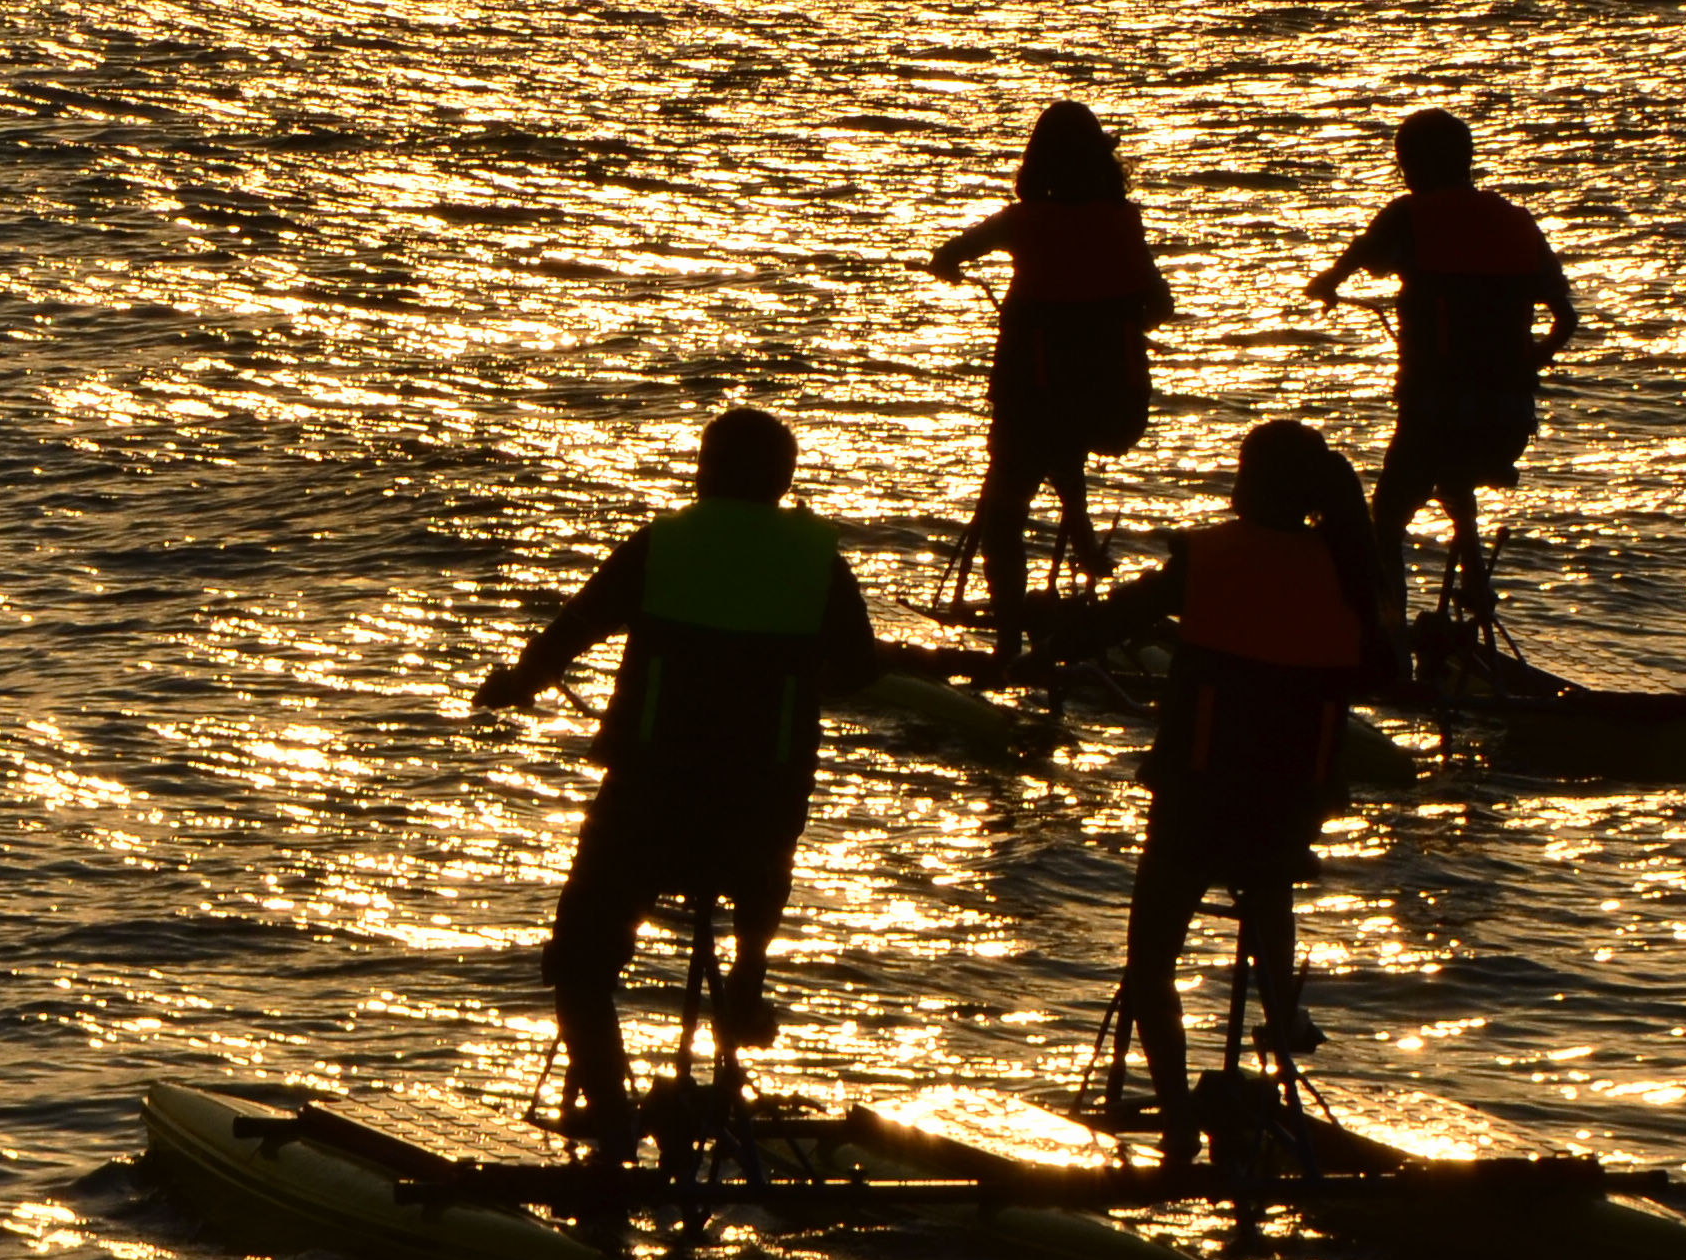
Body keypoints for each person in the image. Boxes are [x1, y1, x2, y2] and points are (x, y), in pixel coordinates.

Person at [473, 406, 889, 1146]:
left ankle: (611, 1118)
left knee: (580, 960)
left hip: (652, 796)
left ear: (703, 471)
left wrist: (517, 683)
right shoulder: (815, 558)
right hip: (761, 803)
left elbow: (573, 631)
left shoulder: (662, 544)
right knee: (762, 872)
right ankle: (748, 985)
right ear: (783, 480)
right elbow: (859, 667)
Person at [1081, 419, 1396, 1155]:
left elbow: (1112, 620)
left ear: (1252, 482)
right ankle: (1280, 1019)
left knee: (1150, 964)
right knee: (1267, 887)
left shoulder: (1209, 558)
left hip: (1197, 800)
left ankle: (1177, 1125)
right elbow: (1382, 671)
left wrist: (1040, 647)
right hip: (1289, 808)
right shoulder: (1349, 571)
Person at [1304, 107, 1580, 601]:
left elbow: (1360, 255)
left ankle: (1390, 620)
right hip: (1509, 420)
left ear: (1413, 165)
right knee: (1457, 477)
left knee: (1386, 518)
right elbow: (1566, 321)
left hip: (1436, 414)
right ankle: (1473, 576)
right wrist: (1527, 362)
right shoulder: (1517, 222)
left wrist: (1327, 283)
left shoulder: (1410, 215)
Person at [926, 100, 1176, 641]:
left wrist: (948, 268)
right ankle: (1081, 536)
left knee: (1005, 513)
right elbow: (1161, 304)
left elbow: (951, 253)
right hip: (1114, 403)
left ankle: (1009, 635)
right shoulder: (1122, 221)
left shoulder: (1022, 222)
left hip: (1034, 402)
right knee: (1066, 431)